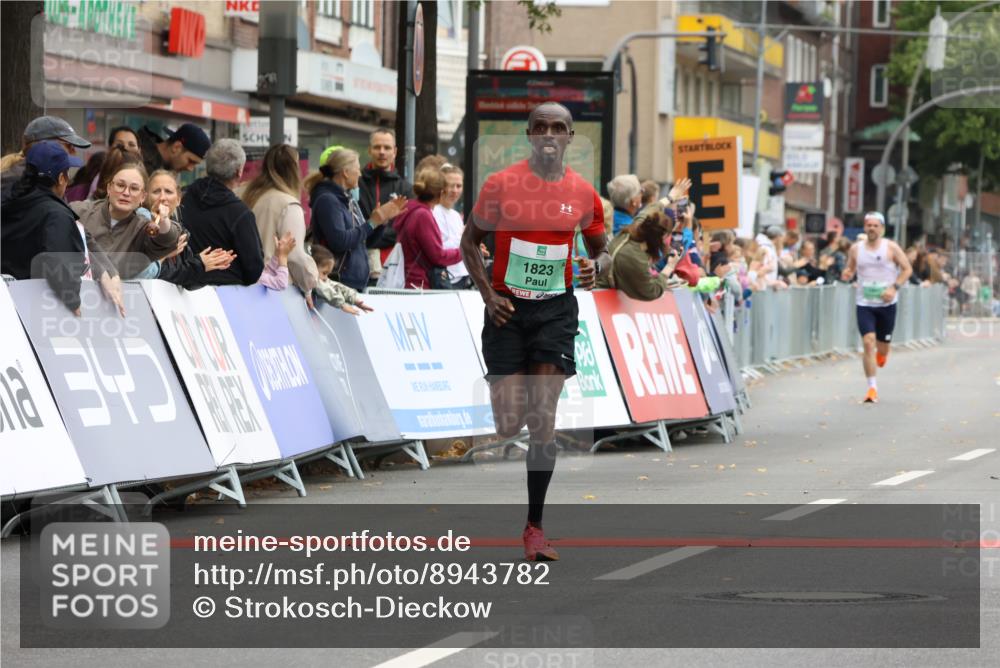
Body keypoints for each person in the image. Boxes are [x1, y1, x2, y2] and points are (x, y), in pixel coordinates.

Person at [460, 101, 610, 562]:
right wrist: (488, 295)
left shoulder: (584, 194)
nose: (549, 133)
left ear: (569, 136)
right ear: (529, 134)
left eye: (558, 128)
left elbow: (603, 252)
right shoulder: (501, 185)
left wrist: (594, 268)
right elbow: (469, 243)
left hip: (555, 312)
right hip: (506, 311)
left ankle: (534, 527)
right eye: (540, 126)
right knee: (510, 422)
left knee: (542, 416)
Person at [1, 141, 123, 316]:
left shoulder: (9, 199)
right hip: (27, 310)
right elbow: (60, 262)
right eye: (66, 174)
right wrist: (73, 300)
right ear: (60, 178)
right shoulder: (55, 214)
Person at [306, 148, 407, 292]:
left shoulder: (347, 200)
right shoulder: (328, 200)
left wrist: (380, 222)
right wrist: (371, 223)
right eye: (357, 169)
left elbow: (365, 242)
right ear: (346, 172)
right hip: (338, 282)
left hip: (351, 283)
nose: (360, 174)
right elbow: (340, 241)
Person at [841, 211, 913, 404]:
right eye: (868, 225)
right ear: (865, 227)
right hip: (864, 303)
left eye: (875, 225)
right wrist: (847, 273)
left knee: (883, 347)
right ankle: (872, 388)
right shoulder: (856, 249)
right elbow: (850, 267)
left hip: (887, 303)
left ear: (881, 228)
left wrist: (894, 287)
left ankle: (882, 354)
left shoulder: (891, 248)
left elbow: (907, 269)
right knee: (868, 342)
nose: (871, 228)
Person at [70, 155, 182, 280]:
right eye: (120, 185)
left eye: (134, 188)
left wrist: (164, 219)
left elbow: (167, 239)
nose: (126, 193)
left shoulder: (143, 228)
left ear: (143, 197)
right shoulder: (79, 211)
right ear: (109, 188)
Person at [181, 139, 265, 286]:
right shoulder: (240, 214)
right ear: (239, 172)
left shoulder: (183, 196)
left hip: (180, 287)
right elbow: (254, 269)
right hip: (225, 294)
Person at [243, 143, 319, 305]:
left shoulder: (244, 194)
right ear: (294, 169)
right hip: (275, 288)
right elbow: (295, 255)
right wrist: (309, 285)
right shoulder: (289, 205)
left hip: (242, 283)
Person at [146, 170, 235, 288]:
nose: (162, 197)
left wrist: (208, 267)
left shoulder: (180, 231)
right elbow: (158, 275)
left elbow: (186, 282)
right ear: (145, 197)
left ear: (178, 199)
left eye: (168, 191)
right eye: (156, 191)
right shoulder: (142, 227)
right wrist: (199, 264)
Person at [394, 165, 463, 289]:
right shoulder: (423, 216)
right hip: (419, 284)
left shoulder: (411, 208)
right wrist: (465, 252)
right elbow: (438, 257)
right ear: (441, 192)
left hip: (409, 280)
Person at [1, 115, 91, 204]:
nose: (74, 152)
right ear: (44, 145)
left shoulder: (49, 177)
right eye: (68, 145)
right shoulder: (16, 181)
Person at [597, 210, 684, 300]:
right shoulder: (634, 257)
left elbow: (650, 209)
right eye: (670, 234)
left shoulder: (630, 234)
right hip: (601, 298)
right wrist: (670, 266)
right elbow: (651, 291)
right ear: (663, 236)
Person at [359, 129, 414, 267]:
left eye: (387, 147)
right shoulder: (356, 183)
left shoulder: (406, 189)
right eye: (377, 147)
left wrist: (370, 234)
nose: (382, 152)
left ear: (394, 152)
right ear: (369, 150)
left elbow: (405, 229)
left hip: (392, 263)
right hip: (359, 259)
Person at [434, 163, 475, 289]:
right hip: (442, 279)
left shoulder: (456, 215)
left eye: (459, 186)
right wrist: (466, 245)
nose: (455, 190)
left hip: (461, 276)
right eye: (451, 185)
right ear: (441, 186)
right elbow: (436, 249)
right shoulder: (432, 212)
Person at [309, 244, 374, 315]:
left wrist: (355, 300)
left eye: (328, 274)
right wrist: (342, 304)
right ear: (312, 267)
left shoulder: (322, 279)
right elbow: (323, 288)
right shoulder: (310, 279)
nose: (326, 278)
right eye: (324, 273)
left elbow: (336, 286)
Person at [137, 123, 211, 175]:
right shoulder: (138, 159)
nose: (190, 169)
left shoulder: (163, 170)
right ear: (176, 147)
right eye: (190, 161)